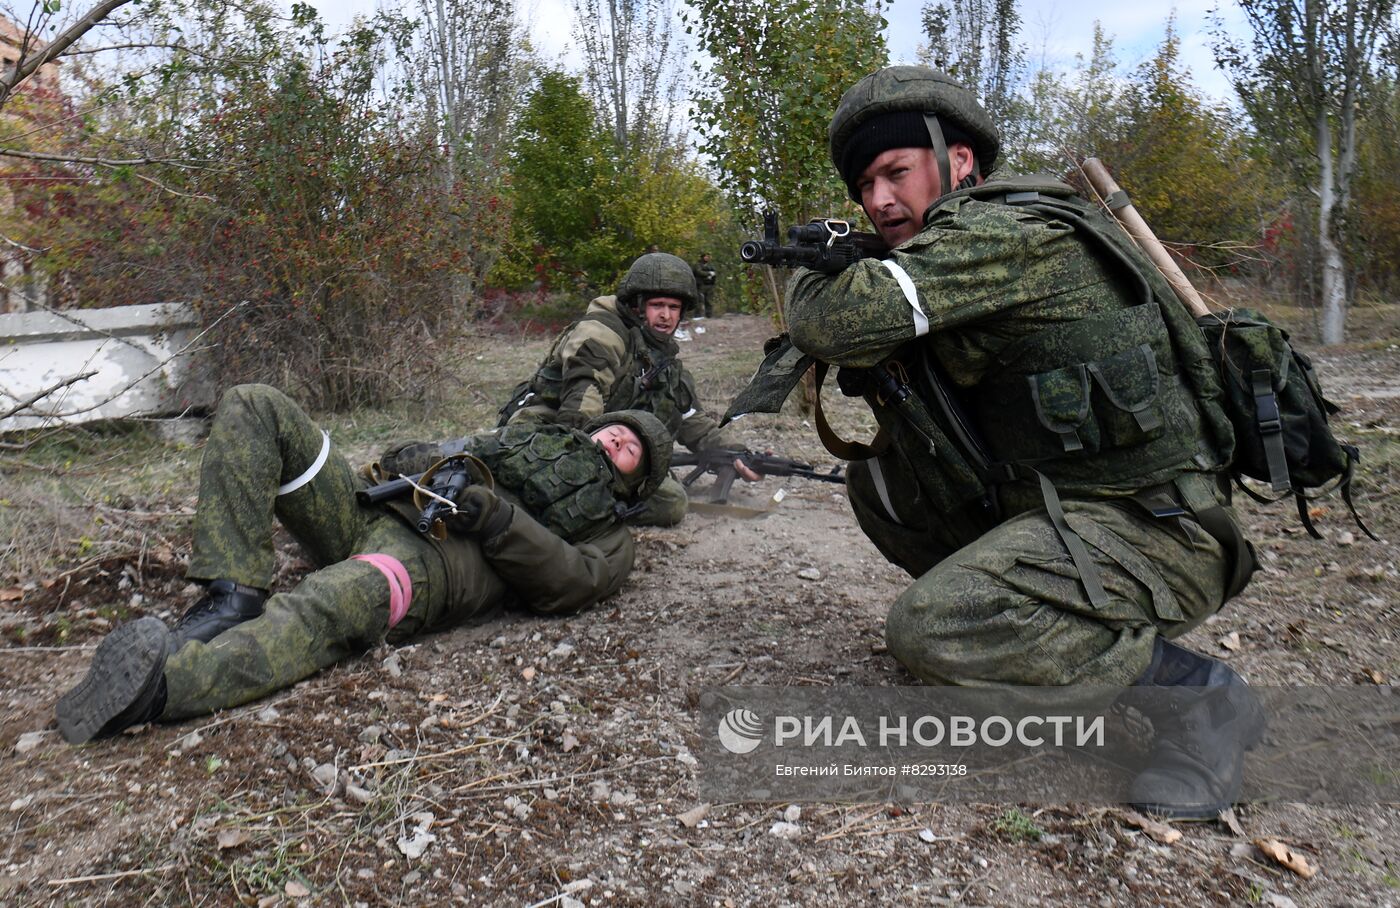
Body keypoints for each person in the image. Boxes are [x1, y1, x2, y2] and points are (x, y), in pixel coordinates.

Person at [782, 65, 1263, 818]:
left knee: (926, 626)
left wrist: (814, 271)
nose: (878, 200)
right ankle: (1031, 646)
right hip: (1086, 511)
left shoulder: (1001, 232)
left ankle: (1200, 701)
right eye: (864, 186)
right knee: (883, 484)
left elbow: (832, 323)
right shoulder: (965, 242)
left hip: (1160, 530)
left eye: (895, 172)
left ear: (960, 162)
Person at [55, 384, 671, 744]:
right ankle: (232, 594)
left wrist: (494, 518)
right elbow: (437, 455)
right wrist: (422, 457)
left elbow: (569, 584)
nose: (615, 442)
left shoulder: (610, 535)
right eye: (613, 432)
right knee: (257, 404)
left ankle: (165, 687)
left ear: (634, 482)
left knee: (330, 600)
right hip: (372, 509)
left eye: (630, 451)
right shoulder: (519, 442)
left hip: (428, 562)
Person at [500, 252, 757, 526]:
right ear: (637, 305)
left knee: (671, 502)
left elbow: (691, 421)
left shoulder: (665, 362)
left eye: (673, 307)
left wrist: (733, 452)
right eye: (657, 305)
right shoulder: (601, 335)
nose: (666, 316)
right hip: (546, 432)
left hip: (605, 447)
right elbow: (579, 412)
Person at [692, 253, 718, 320]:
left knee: (709, 301)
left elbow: (714, 273)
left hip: (709, 285)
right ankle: (697, 316)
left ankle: (709, 316)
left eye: (708, 257)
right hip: (700, 285)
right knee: (699, 300)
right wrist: (708, 273)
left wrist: (712, 276)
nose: (707, 258)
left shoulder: (710, 265)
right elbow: (699, 272)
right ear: (702, 257)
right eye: (706, 256)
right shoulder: (698, 265)